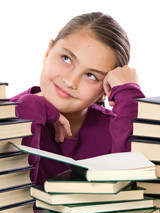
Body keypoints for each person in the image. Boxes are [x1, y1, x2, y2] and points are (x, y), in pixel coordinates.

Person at [10, 12, 145, 185]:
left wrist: (128, 94)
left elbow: (141, 189)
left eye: (91, 75)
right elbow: (15, 196)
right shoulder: (8, 117)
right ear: (47, 52)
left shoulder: (117, 128)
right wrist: (31, 109)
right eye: (66, 59)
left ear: (105, 89)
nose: (70, 81)